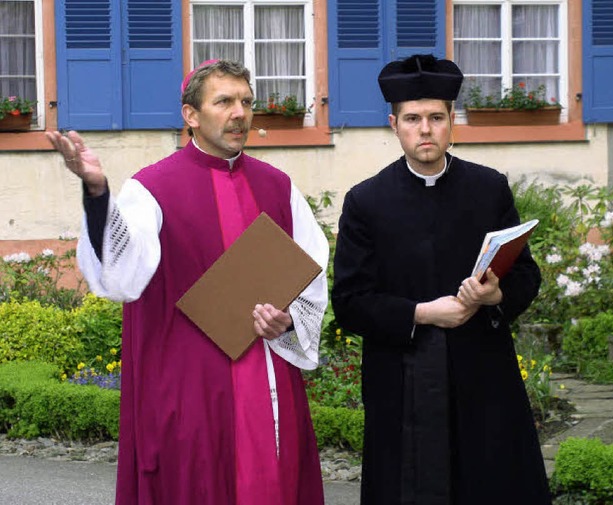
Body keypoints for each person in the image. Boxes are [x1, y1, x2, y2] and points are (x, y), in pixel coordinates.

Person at [46, 59, 329, 505]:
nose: (240, 113)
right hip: (188, 386)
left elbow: (311, 274)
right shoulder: (152, 189)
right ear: (191, 115)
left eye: (246, 102)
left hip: (269, 379)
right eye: (224, 102)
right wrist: (99, 193)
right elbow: (121, 272)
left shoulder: (279, 188)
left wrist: (290, 320)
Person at [331, 54, 551, 505]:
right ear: (394, 124)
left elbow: (527, 274)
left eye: (436, 117)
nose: (425, 130)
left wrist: (495, 295)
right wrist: (423, 312)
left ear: (453, 121)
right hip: (402, 374)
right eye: (413, 119)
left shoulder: (489, 188)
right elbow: (350, 301)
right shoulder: (365, 201)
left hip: (482, 372)